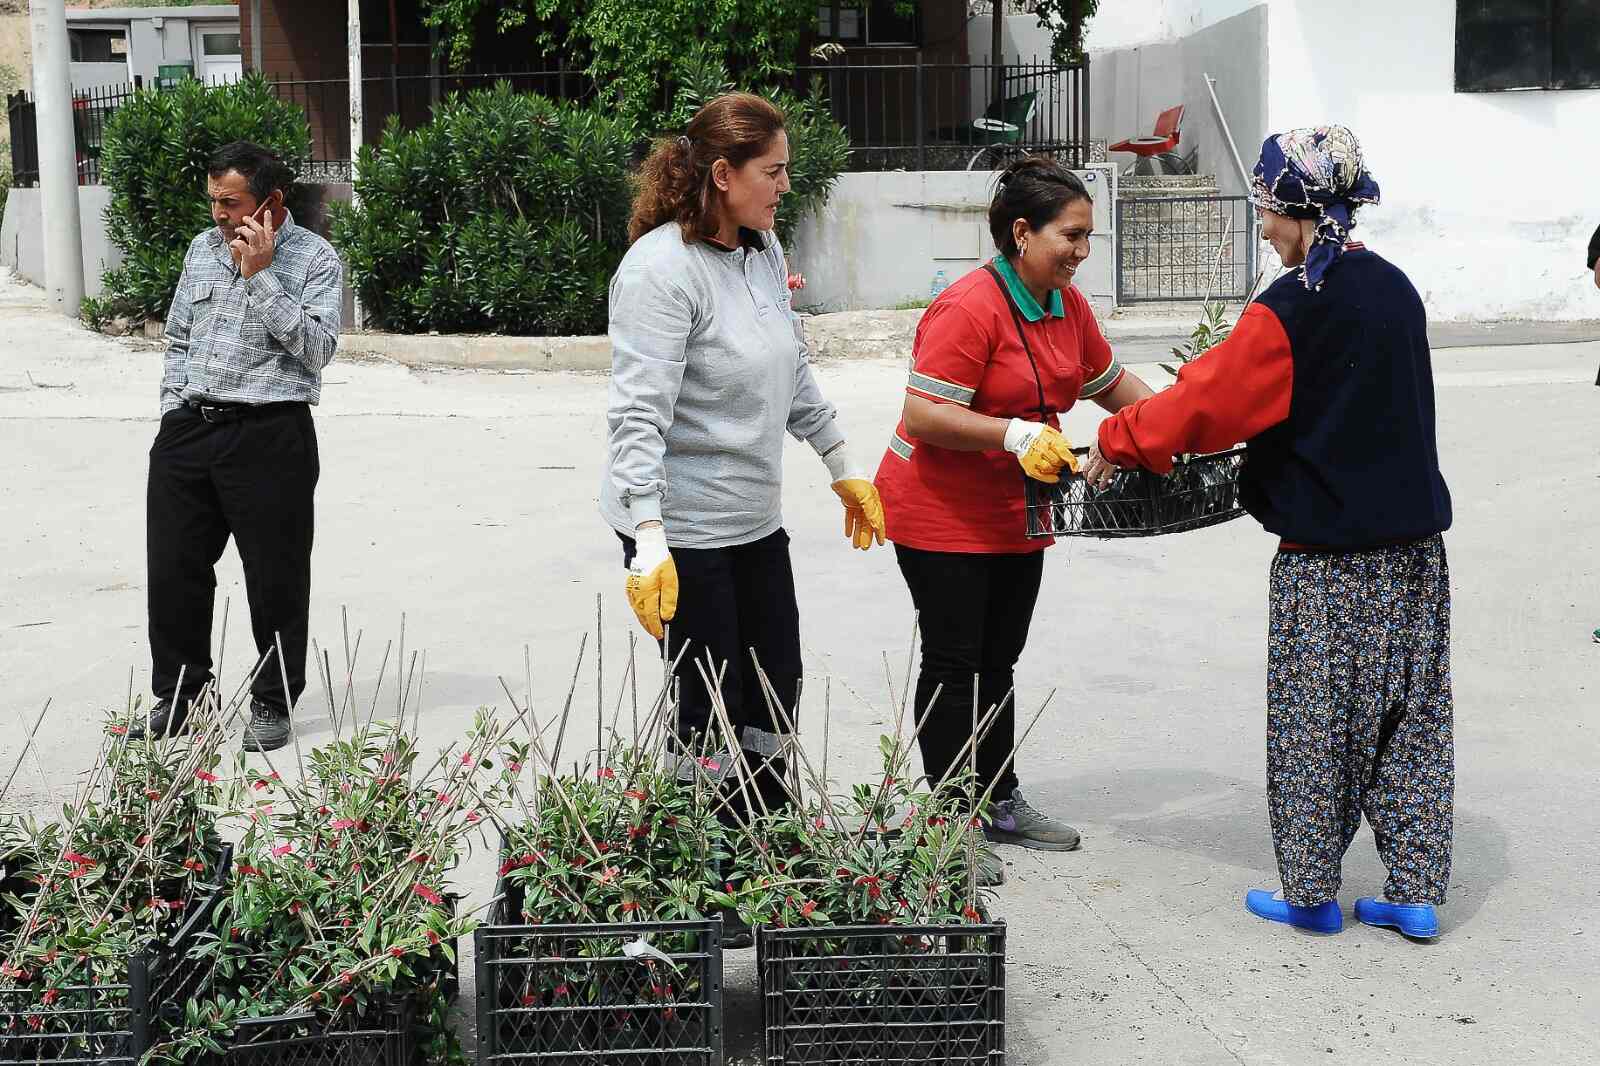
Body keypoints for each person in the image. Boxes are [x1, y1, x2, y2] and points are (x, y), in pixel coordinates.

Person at [1087, 126, 1454, 939]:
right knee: (1411, 718)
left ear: (1298, 207)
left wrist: (1118, 440)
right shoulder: (1396, 288)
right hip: (1417, 553)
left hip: (1327, 562)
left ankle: (1313, 896)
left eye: (1265, 206)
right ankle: (1416, 893)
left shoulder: (1291, 309)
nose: (1260, 222)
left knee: (1314, 728)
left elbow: (1202, 406)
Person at [601, 92, 886, 810]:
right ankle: (704, 857)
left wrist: (842, 463)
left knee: (772, 679)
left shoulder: (761, 252)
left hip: (752, 518)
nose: (787, 186)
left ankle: (767, 828)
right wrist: (648, 538)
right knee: (708, 704)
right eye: (775, 171)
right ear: (723, 175)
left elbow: (790, 370)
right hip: (681, 528)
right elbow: (638, 417)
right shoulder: (660, 271)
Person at [872, 157, 1156, 855]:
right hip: (939, 509)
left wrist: (1181, 423)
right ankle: (945, 820)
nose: (1083, 252)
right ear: (1022, 233)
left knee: (998, 658)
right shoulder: (970, 306)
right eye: (1073, 235)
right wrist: (1013, 432)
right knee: (954, 659)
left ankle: (998, 798)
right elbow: (925, 412)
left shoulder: (1067, 306)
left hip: (1016, 513)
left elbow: (1113, 386)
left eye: (1089, 236)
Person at [134, 141, 343, 753]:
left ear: (271, 202)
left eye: (231, 203)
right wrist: (173, 413)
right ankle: (180, 697)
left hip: (270, 435)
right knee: (173, 570)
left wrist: (262, 279)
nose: (220, 215)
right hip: (190, 430)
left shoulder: (315, 260)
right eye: (214, 202)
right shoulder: (201, 250)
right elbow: (178, 337)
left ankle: (274, 701)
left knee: (274, 578)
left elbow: (318, 350)